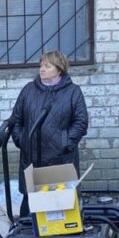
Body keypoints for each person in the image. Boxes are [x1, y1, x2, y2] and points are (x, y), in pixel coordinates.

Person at [10, 50, 89, 216]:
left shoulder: (73, 92)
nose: (42, 69)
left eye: (47, 66)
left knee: (61, 206)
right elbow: (16, 119)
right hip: (31, 158)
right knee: (30, 206)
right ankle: (29, 231)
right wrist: (21, 140)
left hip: (61, 159)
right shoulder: (28, 90)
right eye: (41, 65)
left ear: (59, 70)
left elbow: (81, 122)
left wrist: (65, 142)